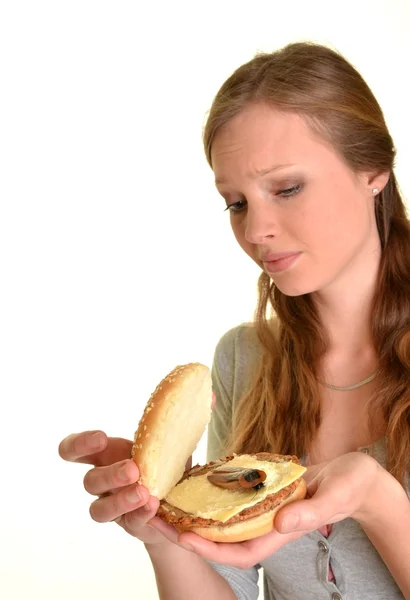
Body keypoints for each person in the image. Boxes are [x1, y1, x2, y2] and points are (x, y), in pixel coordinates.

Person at [58, 41, 410, 600]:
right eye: (237, 202)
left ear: (374, 170)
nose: (255, 230)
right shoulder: (244, 359)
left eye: (287, 188)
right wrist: (164, 530)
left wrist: (380, 503)